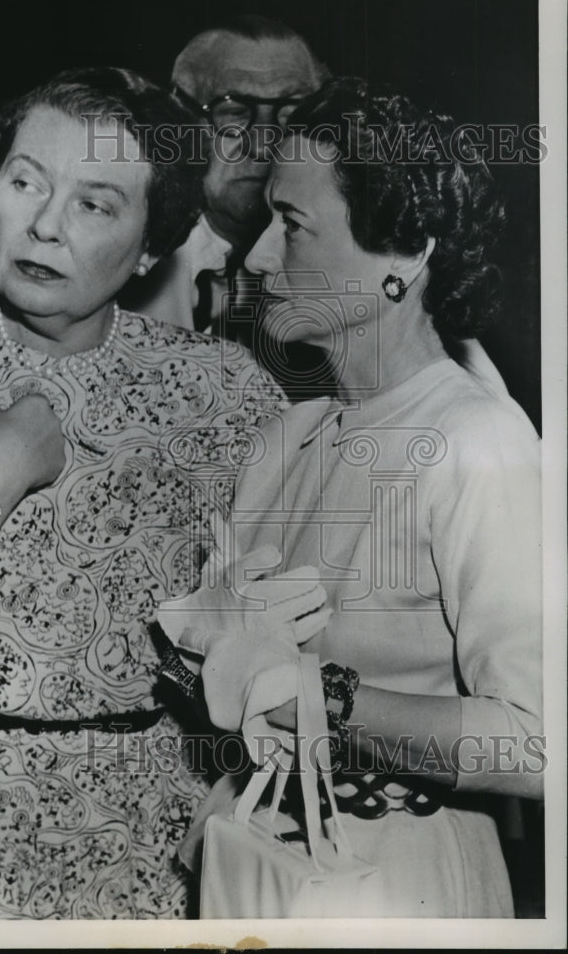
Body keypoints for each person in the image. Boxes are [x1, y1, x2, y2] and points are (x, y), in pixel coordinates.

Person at [0, 66, 286, 919]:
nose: (42, 223)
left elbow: (272, 638)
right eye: (26, 180)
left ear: (152, 244)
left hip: (149, 835)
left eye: (93, 204)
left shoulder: (226, 397)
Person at [167, 77, 542, 916]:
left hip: (401, 881)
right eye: (266, 219)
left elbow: (539, 743)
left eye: (293, 225)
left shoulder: (479, 444)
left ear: (403, 260)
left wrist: (321, 702)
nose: (258, 257)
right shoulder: (284, 439)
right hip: (252, 867)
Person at [122, 15, 329, 337]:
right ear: (180, 121)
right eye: (233, 112)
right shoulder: (122, 259)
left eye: (291, 114)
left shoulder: (348, 270)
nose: (263, 145)